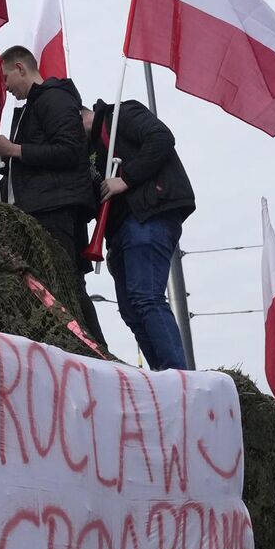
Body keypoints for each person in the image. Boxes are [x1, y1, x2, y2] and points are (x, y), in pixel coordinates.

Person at [0, 46, 102, 344]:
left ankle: (94, 346)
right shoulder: (35, 106)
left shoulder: (53, 98)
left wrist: (13, 149)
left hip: (55, 207)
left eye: (5, 77)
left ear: (20, 68)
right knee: (56, 281)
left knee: (65, 281)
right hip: (43, 204)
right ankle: (82, 343)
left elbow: (70, 151)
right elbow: (39, 161)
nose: (4, 86)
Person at [83, 99, 196, 370]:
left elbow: (161, 138)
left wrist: (127, 178)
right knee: (131, 311)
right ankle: (163, 373)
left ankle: (178, 376)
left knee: (145, 297)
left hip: (148, 214)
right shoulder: (88, 152)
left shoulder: (121, 113)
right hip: (121, 231)